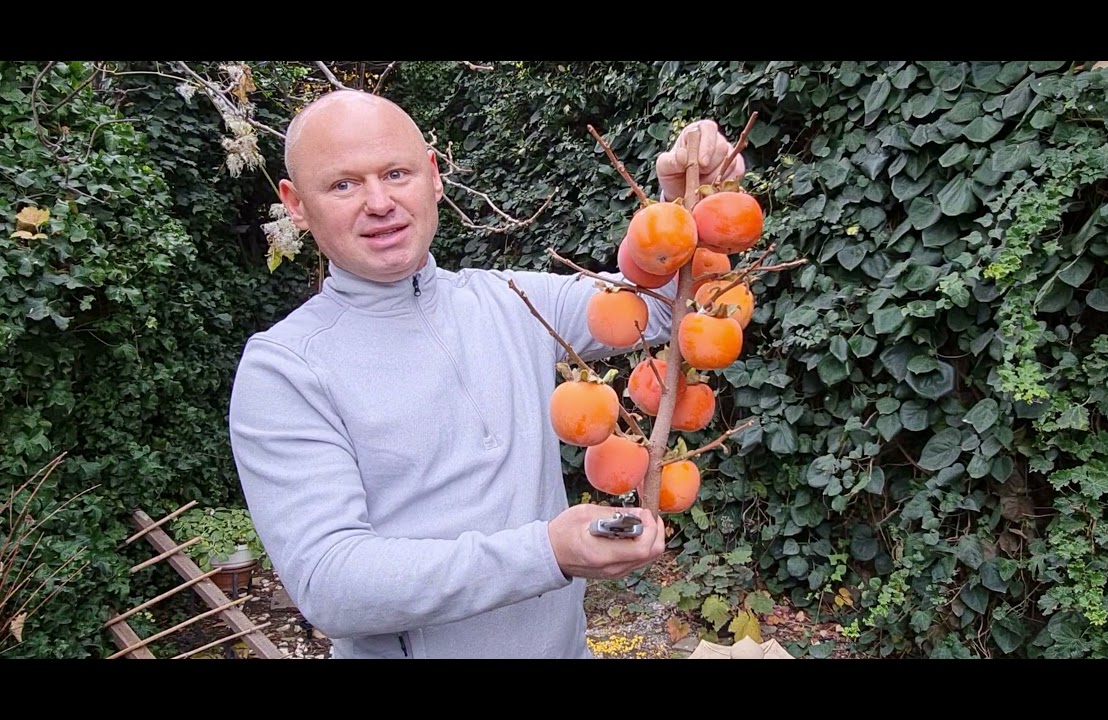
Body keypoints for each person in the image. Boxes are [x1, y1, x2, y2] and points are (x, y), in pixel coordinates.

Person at [227, 88, 746, 659]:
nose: (379, 202)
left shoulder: (512, 302)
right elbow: (332, 584)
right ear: (297, 204)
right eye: (343, 184)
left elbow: (669, 310)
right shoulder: (285, 368)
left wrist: (682, 206)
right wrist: (546, 553)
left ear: (433, 176)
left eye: (396, 173)